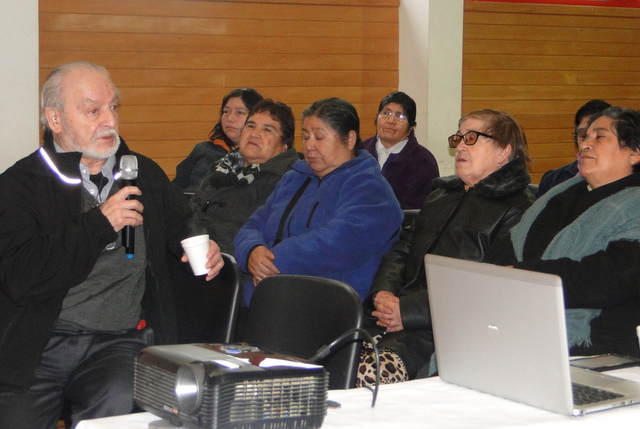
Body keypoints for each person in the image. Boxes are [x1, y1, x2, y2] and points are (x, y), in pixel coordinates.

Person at [0, 61, 224, 429]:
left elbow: (182, 222)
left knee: (115, 407)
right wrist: (101, 223)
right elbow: (21, 275)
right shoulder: (20, 186)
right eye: (93, 110)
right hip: (39, 343)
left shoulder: (142, 173)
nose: (110, 121)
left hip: (118, 341)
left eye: (114, 107)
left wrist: (201, 245)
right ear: (55, 119)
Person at [358, 109, 535, 386]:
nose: (460, 145)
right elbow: (402, 249)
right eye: (459, 138)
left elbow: (489, 286)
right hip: (393, 317)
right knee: (321, 356)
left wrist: (408, 311)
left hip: (447, 332)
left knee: (367, 374)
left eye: (472, 138)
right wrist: (383, 293)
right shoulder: (440, 196)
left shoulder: (519, 209)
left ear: (503, 151)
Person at [234, 97, 403, 305]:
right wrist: (252, 251)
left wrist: (270, 261)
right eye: (306, 137)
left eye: (319, 137)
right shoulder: (293, 178)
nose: (309, 146)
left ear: (349, 139)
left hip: (326, 303)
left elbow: (339, 244)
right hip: (268, 293)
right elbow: (253, 225)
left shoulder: (372, 189)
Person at [506, 106, 640, 358]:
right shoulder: (560, 194)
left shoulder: (635, 205)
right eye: (584, 137)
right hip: (521, 320)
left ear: (634, 152)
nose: (585, 144)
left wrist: (521, 276)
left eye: (599, 137)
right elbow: (510, 245)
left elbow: (607, 278)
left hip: (598, 344)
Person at [189, 99, 301, 255]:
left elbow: (255, 231)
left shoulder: (287, 178)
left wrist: (201, 238)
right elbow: (192, 208)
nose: (254, 134)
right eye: (250, 126)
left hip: (231, 258)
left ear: (284, 145)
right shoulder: (223, 166)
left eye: (267, 129)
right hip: (194, 245)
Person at [173, 88, 263, 192]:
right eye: (226, 111)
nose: (230, 118)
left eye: (240, 112)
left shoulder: (259, 158)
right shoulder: (204, 149)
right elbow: (175, 188)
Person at [362, 91, 439, 209]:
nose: (391, 120)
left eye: (400, 116)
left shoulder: (423, 161)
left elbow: (414, 212)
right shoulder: (359, 151)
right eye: (386, 113)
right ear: (377, 118)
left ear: (411, 127)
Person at [536, 99, 611, 197]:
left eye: (599, 136)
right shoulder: (554, 179)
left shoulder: (626, 180)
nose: (586, 144)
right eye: (583, 135)